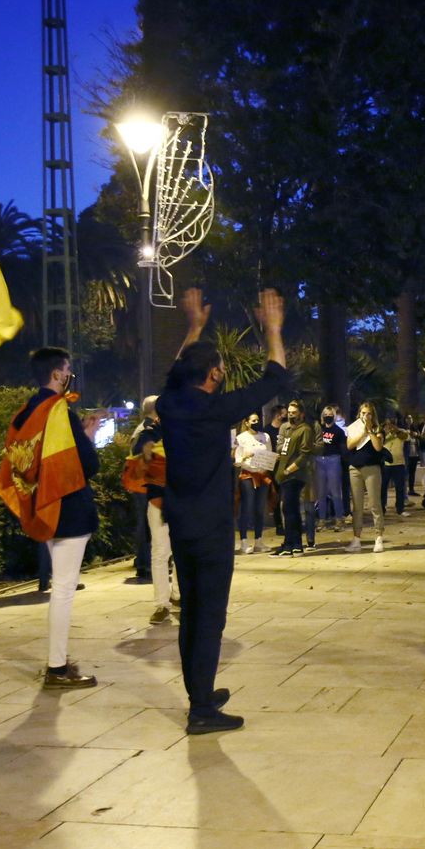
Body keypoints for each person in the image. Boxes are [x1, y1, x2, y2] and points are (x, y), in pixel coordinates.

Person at [157, 287, 291, 735]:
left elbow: (178, 371)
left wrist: (194, 326)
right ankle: (200, 711)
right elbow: (274, 377)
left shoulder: (171, 405)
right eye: (222, 369)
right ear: (214, 374)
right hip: (212, 526)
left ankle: (201, 691)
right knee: (209, 615)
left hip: (181, 523)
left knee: (192, 609)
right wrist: (273, 329)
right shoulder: (215, 411)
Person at [0, 346, 103, 689]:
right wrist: (87, 437)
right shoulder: (58, 411)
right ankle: (57, 666)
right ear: (57, 374)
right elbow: (88, 465)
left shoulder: (24, 412)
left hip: (43, 507)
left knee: (60, 586)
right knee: (64, 589)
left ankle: (58, 660)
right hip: (68, 509)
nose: (70, 374)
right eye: (68, 369)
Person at [124, 396, 179, 623]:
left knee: (179, 551)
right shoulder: (148, 433)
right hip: (158, 501)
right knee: (160, 552)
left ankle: (177, 593)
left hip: (181, 501)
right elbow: (137, 454)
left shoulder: (182, 432)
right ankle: (161, 603)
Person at [272, 400, 315, 556]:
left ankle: (291, 543)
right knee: (290, 509)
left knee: (289, 509)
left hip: (295, 473)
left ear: (301, 414)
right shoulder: (286, 429)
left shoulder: (305, 430)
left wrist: (289, 470)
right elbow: (281, 448)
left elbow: (304, 454)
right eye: (289, 412)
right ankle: (294, 543)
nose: (290, 415)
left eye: (294, 412)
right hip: (284, 472)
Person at [344, 402, 387, 553]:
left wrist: (369, 431)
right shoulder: (354, 428)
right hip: (354, 469)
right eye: (363, 413)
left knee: (374, 503)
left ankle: (378, 537)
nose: (365, 416)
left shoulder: (377, 429)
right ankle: (356, 539)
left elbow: (378, 447)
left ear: (372, 415)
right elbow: (349, 445)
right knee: (357, 506)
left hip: (372, 469)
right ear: (359, 414)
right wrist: (362, 432)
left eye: (368, 413)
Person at [233, 412, 273, 554]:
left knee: (259, 508)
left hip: (262, 475)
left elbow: (269, 454)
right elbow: (237, 461)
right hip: (248, 476)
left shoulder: (265, 437)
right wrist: (244, 456)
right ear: (247, 422)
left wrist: (269, 464)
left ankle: (259, 540)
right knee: (247, 507)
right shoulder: (241, 438)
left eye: (258, 420)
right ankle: (243, 541)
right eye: (253, 420)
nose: (256, 422)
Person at [313, 405, 348, 529]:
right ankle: (322, 519)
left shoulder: (338, 431)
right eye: (325, 415)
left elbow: (343, 448)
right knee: (321, 492)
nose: (328, 417)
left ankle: (339, 519)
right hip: (320, 460)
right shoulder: (319, 430)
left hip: (333, 460)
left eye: (330, 415)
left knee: (335, 492)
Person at [380, 414, 411, 518]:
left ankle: (400, 509)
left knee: (400, 488)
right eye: (388, 423)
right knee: (383, 487)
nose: (390, 425)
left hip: (399, 463)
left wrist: (396, 431)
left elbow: (406, 437)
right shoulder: (382, 433)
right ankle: (382, 509)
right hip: (385, 464)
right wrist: (385, 433)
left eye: (392, 422)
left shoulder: (401, 431)